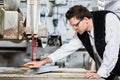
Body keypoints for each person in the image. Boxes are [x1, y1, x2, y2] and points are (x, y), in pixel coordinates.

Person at [23, 5, 120, 80]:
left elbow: (112, 50)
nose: (74, 29)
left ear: (85, 19)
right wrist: (43, 62)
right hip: (108, 72)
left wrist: (100, 73)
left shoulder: (109, 19)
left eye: (75, 25)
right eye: (72, 26)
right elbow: (67, 48)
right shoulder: (81, 32)